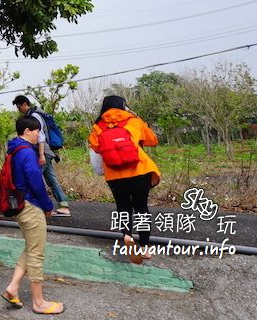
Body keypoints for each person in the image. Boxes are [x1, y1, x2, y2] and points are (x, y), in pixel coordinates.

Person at [2, 115, 65, 315]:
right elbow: (36, 181)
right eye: (36, 130)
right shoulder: (27, 153)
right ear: (27, 131)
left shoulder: (15, 149)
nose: (39, 134)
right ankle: (38, 302)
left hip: (21, 205)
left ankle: (12, 288)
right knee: (37, 253)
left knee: (31, 248)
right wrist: (47, 205)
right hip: (31, 205)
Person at [88, 94, 161, 265]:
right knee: (141, 207)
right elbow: (152, 140)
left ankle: (127, 236)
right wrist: (136, 116)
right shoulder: (133, 120)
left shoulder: (98, 126)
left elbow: (96, 149)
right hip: (139, 170)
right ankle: (144, 247)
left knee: (123, 207)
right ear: (123, 105)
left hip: (114, 174)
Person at [13, 95, 71, 216]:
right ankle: (64, 205)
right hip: (46, 151)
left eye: (19, 107)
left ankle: (37, 207)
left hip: (43, 151)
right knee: (51, 179)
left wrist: (41, 155)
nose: (19, 110)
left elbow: (40, 136)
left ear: (24, 104)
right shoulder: (34, 114)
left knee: (33, 178)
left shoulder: (34, 116)